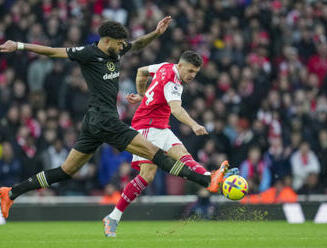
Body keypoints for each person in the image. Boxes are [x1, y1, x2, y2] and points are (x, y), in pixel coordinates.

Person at [0, 17, 229, 233]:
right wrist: (19, 46)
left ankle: (10, 193)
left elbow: (138, 44)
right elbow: (51, 51)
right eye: (119, 44)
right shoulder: (88, 53)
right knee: (155, 153)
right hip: (104, 119)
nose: (122, 48)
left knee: (65, 171)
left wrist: (156, 33)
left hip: (94, 121)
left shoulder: (116, 51)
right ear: (107, 41)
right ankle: (206, 180)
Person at [103, 51, 239, 236]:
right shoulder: (173, 83)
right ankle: (114, 216)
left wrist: (143, 96)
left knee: (181, 158)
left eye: (196, 72)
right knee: (150, 174)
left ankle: (211, 177)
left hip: (160, 127)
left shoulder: (164, 66)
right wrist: (194, 125)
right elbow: (176, 109)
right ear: (180, 66)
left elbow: (141, 71)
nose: (192, 75)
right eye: (190, 71)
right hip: (147, 128)